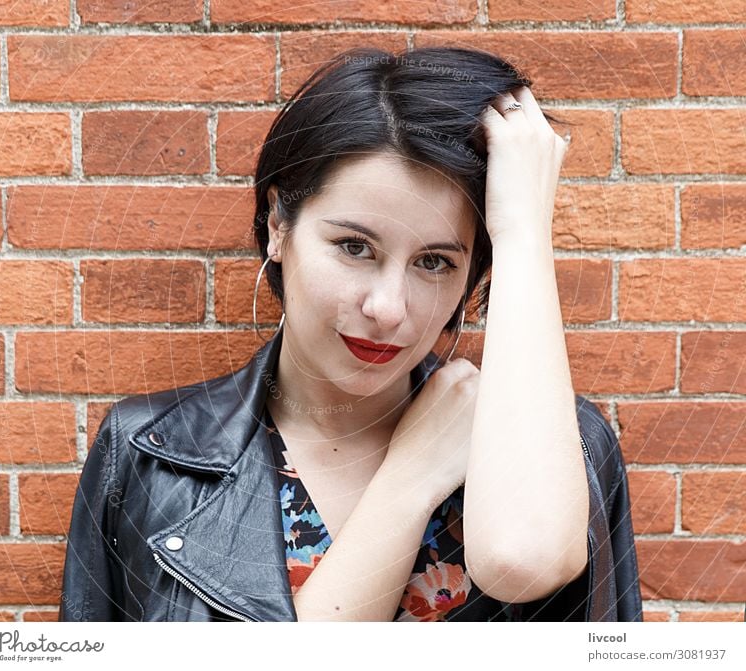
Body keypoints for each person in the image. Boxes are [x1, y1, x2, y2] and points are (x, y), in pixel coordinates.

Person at [58, 46, 642, 622]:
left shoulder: (566, 447)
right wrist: (412, 476)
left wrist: (522, 232)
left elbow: (524, 558)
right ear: (280, 226)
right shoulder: (148, 458)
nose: (388, 309)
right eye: (354, 248)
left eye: (435, 262)